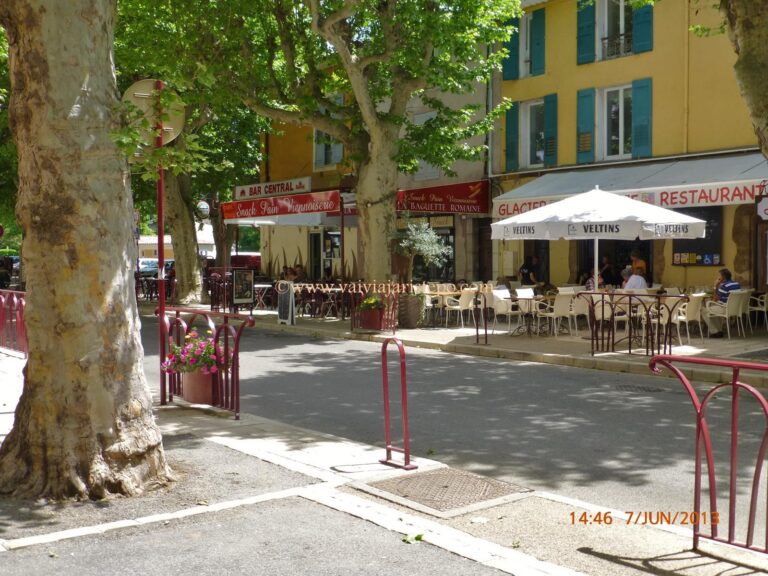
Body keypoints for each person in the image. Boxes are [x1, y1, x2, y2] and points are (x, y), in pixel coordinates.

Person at [701, 268, 741, 338]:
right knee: (712, 309)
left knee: (703, 310)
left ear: (723, 277)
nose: (718, 277)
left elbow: (714, 299)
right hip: (735, 309)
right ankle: (719, 331)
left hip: (725, 308)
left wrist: (715, 286)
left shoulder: (723, 286)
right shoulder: (737, 284)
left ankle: (714, 332)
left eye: (719, 276)